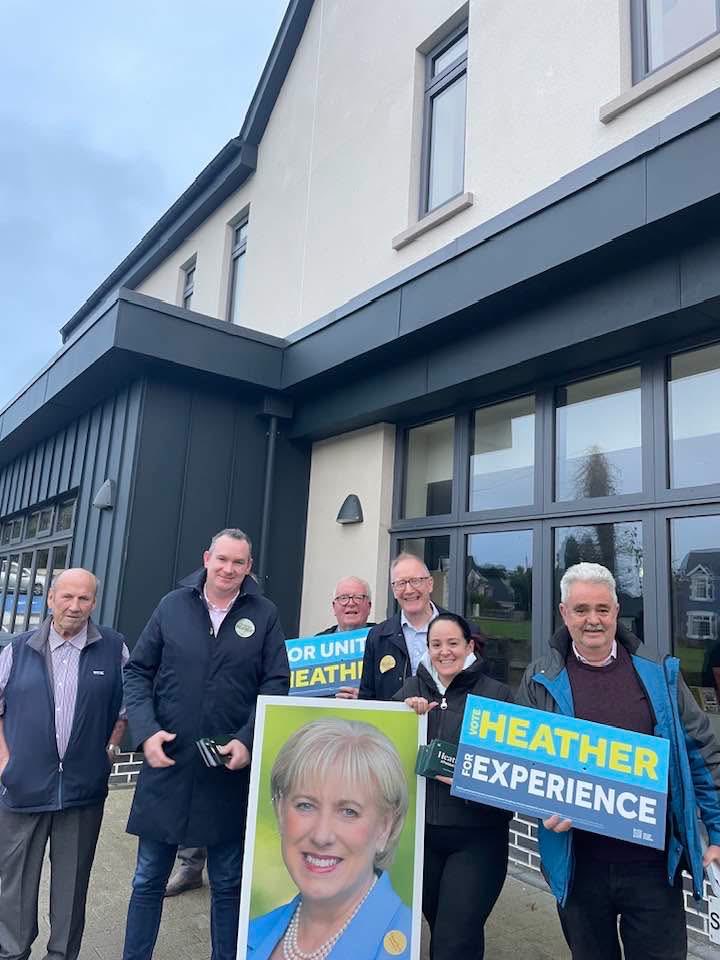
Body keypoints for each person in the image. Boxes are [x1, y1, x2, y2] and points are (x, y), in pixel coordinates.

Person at [516, 562, 720, 960]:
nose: (592, 620)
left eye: (602, 609)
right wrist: (540, 805)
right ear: (564, 613)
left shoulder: (658, 673)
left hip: (653, 865)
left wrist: (717, 832)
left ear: (616, 610)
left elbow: (703, 756)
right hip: (578, 864)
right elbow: (521, 764)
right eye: (581, 610)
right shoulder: (540, 678)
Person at [122, 528, 289, 960]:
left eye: (238, 562)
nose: (229, 569)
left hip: (226, 769)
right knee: (147, 878)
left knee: (229, 881)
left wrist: (248, 739)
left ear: (249, 567)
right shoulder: (171, 606)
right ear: (206, 559)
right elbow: (137, 671)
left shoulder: (265, 614)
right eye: (222, 559)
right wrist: (146, 731)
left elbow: (275, 683)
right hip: (168, 763)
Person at [0, 568, 128, 960]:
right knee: (14, 884)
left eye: (84, 598)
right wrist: (5, 762)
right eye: (67, 597)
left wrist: (110, 748)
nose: (75, 606)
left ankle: (61, 956)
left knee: (72, 887)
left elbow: (125, 708)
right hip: (23, 787)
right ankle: (12, 952)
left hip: (82, 790)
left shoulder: (114, 649)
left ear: (94, 602)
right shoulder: (17, 649)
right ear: (51, 598)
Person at [396, 613, 512, 960]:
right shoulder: (410, 691)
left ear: (469, 646)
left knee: (454, 939)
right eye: (436, 644)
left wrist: (471, 773)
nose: (444, 651)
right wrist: (403, 715)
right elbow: (381, 747)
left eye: (453, 643)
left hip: (477, 837)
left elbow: (514, 771)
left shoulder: (497, 695)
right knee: (446, 931)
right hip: (423, 838)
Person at [246, 718, 412, 959]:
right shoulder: (250, 933)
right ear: (281, 811)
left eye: (349, 812)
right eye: (305, 805)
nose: (321, 836)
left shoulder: (406, 943)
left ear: (385, 827)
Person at [359, 553, 446, 702]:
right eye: (401, 583)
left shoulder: (460, 630)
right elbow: (367, 697)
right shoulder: (377, 637)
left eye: (415, 581)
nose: (409, 590)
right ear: (393, 590)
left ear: (430, 584)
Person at [317, 575, 375, 700]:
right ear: (334, 607)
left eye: (358, 598)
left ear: (369, 606)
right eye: (343, 598)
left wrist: (366, 697)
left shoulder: (384, 639)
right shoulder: (317, 645)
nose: (351, 603)